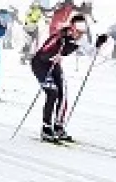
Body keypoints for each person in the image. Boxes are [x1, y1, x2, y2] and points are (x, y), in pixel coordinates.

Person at [31, 14, 110, 142]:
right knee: (52, 92)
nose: (80, 33)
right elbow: (43, 53)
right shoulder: (59, 37)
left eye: (83, 29)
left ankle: (58, 126)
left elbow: (91, 53)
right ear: (72, 27)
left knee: (63, 94)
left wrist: (98, 44)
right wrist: (52, 55)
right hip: (40, 65)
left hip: (54, 64)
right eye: (78, 28)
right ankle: (46, 128)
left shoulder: (81, 38)